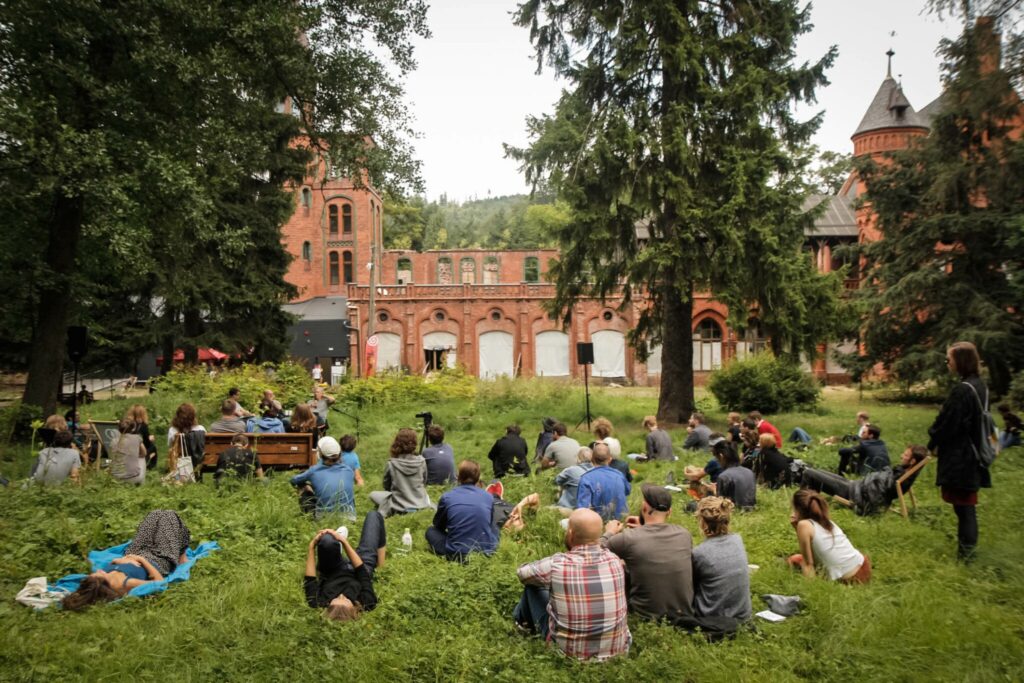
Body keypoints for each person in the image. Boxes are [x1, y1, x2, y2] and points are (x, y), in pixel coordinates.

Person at [513, 508, 630, 661]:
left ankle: (521, 624)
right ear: (598, 536)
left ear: (570, 533)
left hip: (568, 655)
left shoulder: (557, 564)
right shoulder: (615, 561)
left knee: (532, 587)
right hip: (616, 653)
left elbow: (522, 574)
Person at [928, 341, 992, 562]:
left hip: (961, 457)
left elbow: (948, 423)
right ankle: (966, 552)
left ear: (961, 361)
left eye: (950, 359)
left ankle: (966, 556)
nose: (947, 363)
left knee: (964, 507)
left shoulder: (963, 390)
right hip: (972, 454)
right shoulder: (980, 386)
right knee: (965, 506)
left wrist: (933, 440)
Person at [62, 510, 191, 611]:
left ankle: (180, 551)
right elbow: (160, 583)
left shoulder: (101, 579)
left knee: (155, 514)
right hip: (157, 560)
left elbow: (111, 565)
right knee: (169, 516)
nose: (99, 571)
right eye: (99, 574)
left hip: (133, 553)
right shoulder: (126, 584)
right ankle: (182, 555)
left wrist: (118, 561)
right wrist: (141, 560)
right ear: (102, 584)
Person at [600, 484, 694, 621]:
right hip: (683, 613)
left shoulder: (628, 538)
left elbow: (595, 551)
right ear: (669, 512)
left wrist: (609, 532)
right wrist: (643, 528)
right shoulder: (684, 534)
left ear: (644, 508)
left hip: (645, 615)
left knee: (620, 563)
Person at [799, 445, 929, 515]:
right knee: (818, 471)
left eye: (905, 455)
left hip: (854, 493)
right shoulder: (902, 473)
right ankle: (811, 504)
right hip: (855, 486)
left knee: (809, 473)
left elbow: (879, 492)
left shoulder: (898, 480)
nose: (902, 456)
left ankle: (803, 507)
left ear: (912, 461)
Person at [304, 513, 387, 621]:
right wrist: (343, 541)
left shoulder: (318, 602)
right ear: (354, 608)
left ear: (328, 606)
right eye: (346, 599)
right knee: (373, 516)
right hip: (362, 565)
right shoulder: (367, 602)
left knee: (327, 540)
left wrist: (311, 546)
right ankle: (381, 565)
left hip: (333, 569)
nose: (342, 595)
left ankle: (335, 548)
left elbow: (310, 579)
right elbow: (362, 573)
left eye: (337, 598)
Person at [787, 489, 871, 583]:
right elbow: (815, 549)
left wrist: (811, 591)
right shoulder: (826, 521)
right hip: (863, 566)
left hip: (850, 578)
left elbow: (808, 564)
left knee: (795, 559)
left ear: (798, 509)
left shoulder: (803, 525)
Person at [691, 497, 752, 621]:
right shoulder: (737, 540)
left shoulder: (699, 553)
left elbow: (690, 584)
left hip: (712, 617)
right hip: (743, 615)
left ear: (702, 521)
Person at [426, 460, 500, 561]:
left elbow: (438, 525)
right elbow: (489, 523)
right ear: (478, 478)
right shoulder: (488, 496)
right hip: (484, 552)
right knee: (494, 527)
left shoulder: (447, 497)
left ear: (458, 476)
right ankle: (488, 548)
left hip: (456, 553)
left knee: (431, 531)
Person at [369, 428, 432, 517]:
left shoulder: (391, 463)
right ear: (414, 443)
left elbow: (386, 486)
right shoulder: (422, 461)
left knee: (373, 494)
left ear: (397, 443)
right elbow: (424, 482)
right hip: (420, 503)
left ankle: (400, 507)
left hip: (399, 505)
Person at [290, 436, 356, 517]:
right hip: (349, 518)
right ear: (339, 453)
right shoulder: (349, 471)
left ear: (320, 454)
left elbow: (293, 480)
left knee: (302, 484)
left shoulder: (313, 471)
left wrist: (308, 486)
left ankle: (308, 517)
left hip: (323, 518)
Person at [576, 442, 630, 521]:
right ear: (610, 459)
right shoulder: (620, 475)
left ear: (592, 459)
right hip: (619, 522)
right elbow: (627, 491)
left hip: (596, 524)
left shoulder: (586, 478)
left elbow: (583, 509)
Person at [712, 440, 756, 510]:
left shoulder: (724, 476)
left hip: (732, 510)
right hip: (751, 509)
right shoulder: (749, 472)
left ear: (721, 456)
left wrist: (713, 490)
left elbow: (720, 503)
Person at [554, 447, 594, 512]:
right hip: (588, 512)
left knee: (544, 510)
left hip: (568, 509)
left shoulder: (571, 470)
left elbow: (556, 481)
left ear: (578, 459)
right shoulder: (596, 472)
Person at [110, 417, 146, 485]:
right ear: (133, 428)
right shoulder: (137, 438)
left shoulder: (113, 441)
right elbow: (144, 453)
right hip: (133, 478)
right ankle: (141, 482)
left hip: (116, 478)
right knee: (142, 458)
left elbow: (112, 456)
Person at [125, 404, 158, 470]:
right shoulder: (143, 426)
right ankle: (149, 465)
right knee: (153, 446)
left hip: (127, 449)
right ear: (143, 414)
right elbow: (146, 441)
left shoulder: (126, 424)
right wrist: (150, 438)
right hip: (139, 450)